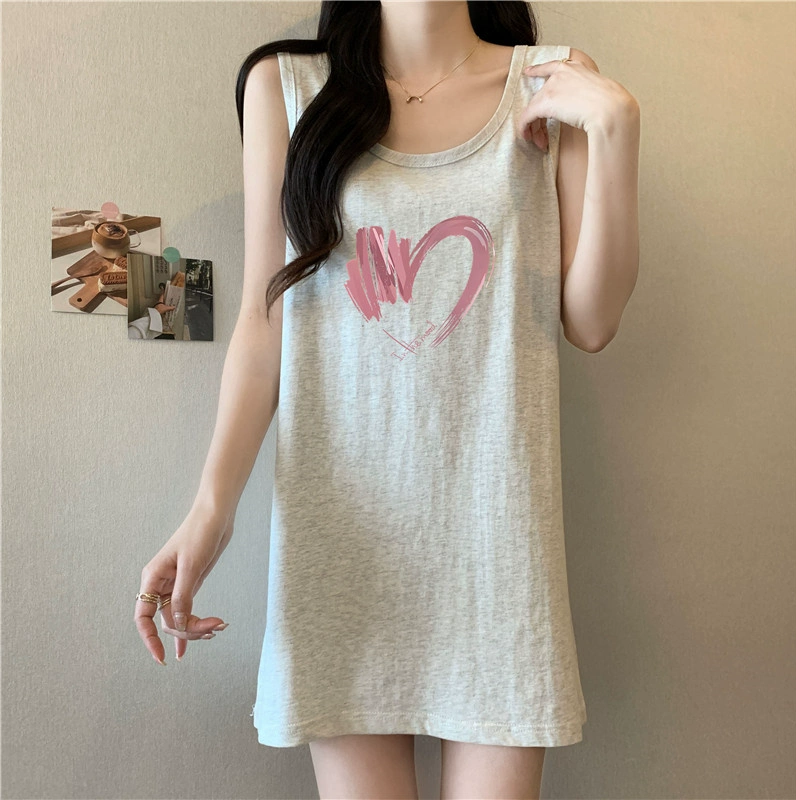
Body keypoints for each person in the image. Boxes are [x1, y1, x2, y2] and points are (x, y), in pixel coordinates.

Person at [135, 2, 640, 798]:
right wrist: (210, 510)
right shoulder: (286, 86)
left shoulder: (552, 86)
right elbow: (265, 323)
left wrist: (615, 133)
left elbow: (592, 321)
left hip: (497, 546)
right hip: (343, 545)